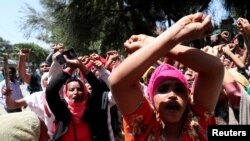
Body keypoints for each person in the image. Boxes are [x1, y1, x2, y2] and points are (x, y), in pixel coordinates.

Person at [109, 12, 224, 140]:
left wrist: (150, 42)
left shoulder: (198, 124)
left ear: (188, 98)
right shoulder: (142, 127)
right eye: (163, 89)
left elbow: (215, 68)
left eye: (180, 90)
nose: (172, 94)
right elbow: (118, 82)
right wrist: (177, 32)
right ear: (151, 98)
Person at [45, 54, 113, 141]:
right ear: (66, 92)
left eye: (80, 89)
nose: (76, 92)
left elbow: (97, 88)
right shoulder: (62, 109)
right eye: (71, 90)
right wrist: (70, 68)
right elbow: (50, 91)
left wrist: (81, 66)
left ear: (85, 92)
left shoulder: (90, 106)